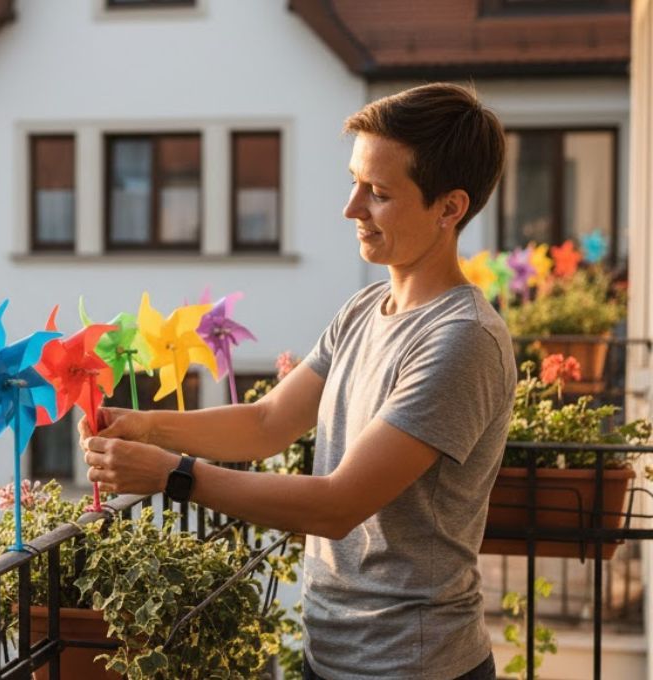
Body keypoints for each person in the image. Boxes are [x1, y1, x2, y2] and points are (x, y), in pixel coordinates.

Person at [80, 83, 516, 680]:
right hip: (331, 654)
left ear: (450, 207)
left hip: (413, 667)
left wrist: (171, 476)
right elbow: (266, 424)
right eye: (354, 182)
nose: (352, 207)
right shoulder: (365, 309)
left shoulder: (462, 340)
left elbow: (339, 504)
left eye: (379, 193)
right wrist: (148, 426)